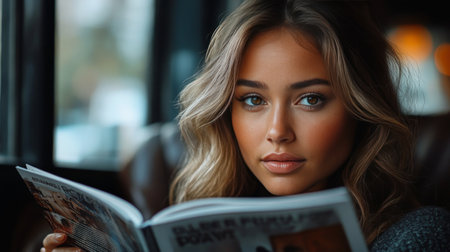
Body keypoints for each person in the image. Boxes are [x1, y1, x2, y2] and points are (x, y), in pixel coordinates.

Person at [41, 0, 450, 251]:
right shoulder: (190, 228)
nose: (277, 131)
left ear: (361, 108)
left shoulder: (417, 236)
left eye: (310, 99)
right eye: (253, 100)